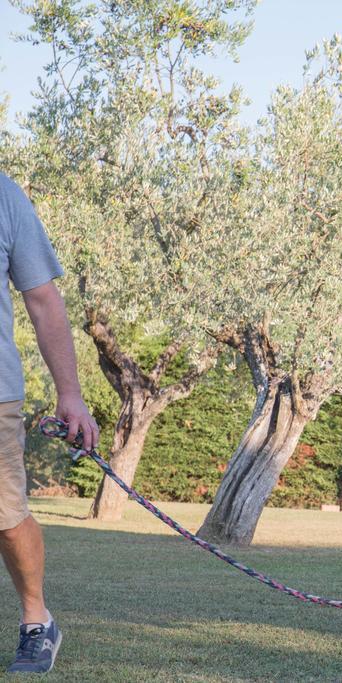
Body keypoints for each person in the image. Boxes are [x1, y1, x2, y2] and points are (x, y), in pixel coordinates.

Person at [0, 172, 99, 673]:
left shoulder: (3, 194)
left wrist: (71, 394)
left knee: (7, 518)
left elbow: (42, 299)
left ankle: (37, 620)